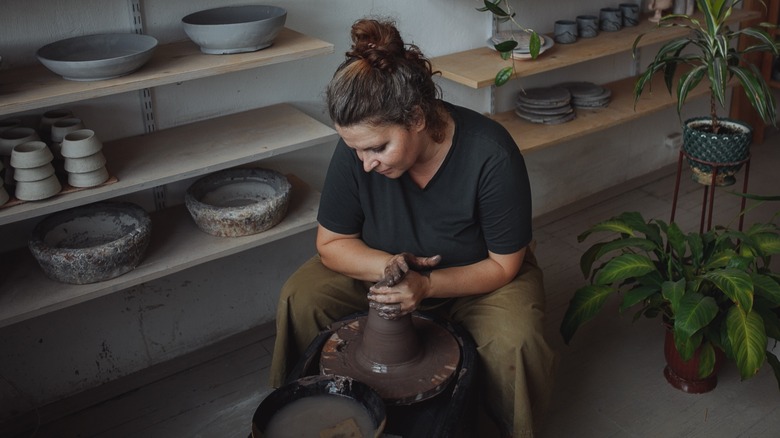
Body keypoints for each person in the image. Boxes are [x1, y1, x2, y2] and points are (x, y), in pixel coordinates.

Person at [270, 18, 557, 437]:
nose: (366, 162)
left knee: (516, 340)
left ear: (417, 117)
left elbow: (503, 267)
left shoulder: (490, 154)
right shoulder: (358, 151)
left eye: (378, 148)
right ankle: (301, 413)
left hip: (478, 278)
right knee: (302, 295)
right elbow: (331, 243)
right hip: (386, 269)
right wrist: (390, 266)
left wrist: (426, 285)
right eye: (356, 150)